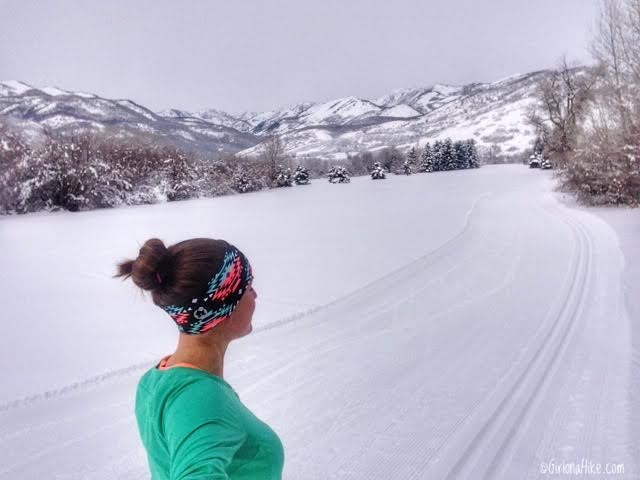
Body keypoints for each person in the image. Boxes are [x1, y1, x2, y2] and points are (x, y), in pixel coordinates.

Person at [114, 237, 284, 480]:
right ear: (223, 304)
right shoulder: (201, 398)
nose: (255, 294)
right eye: (248, 286)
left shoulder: (153, 381)